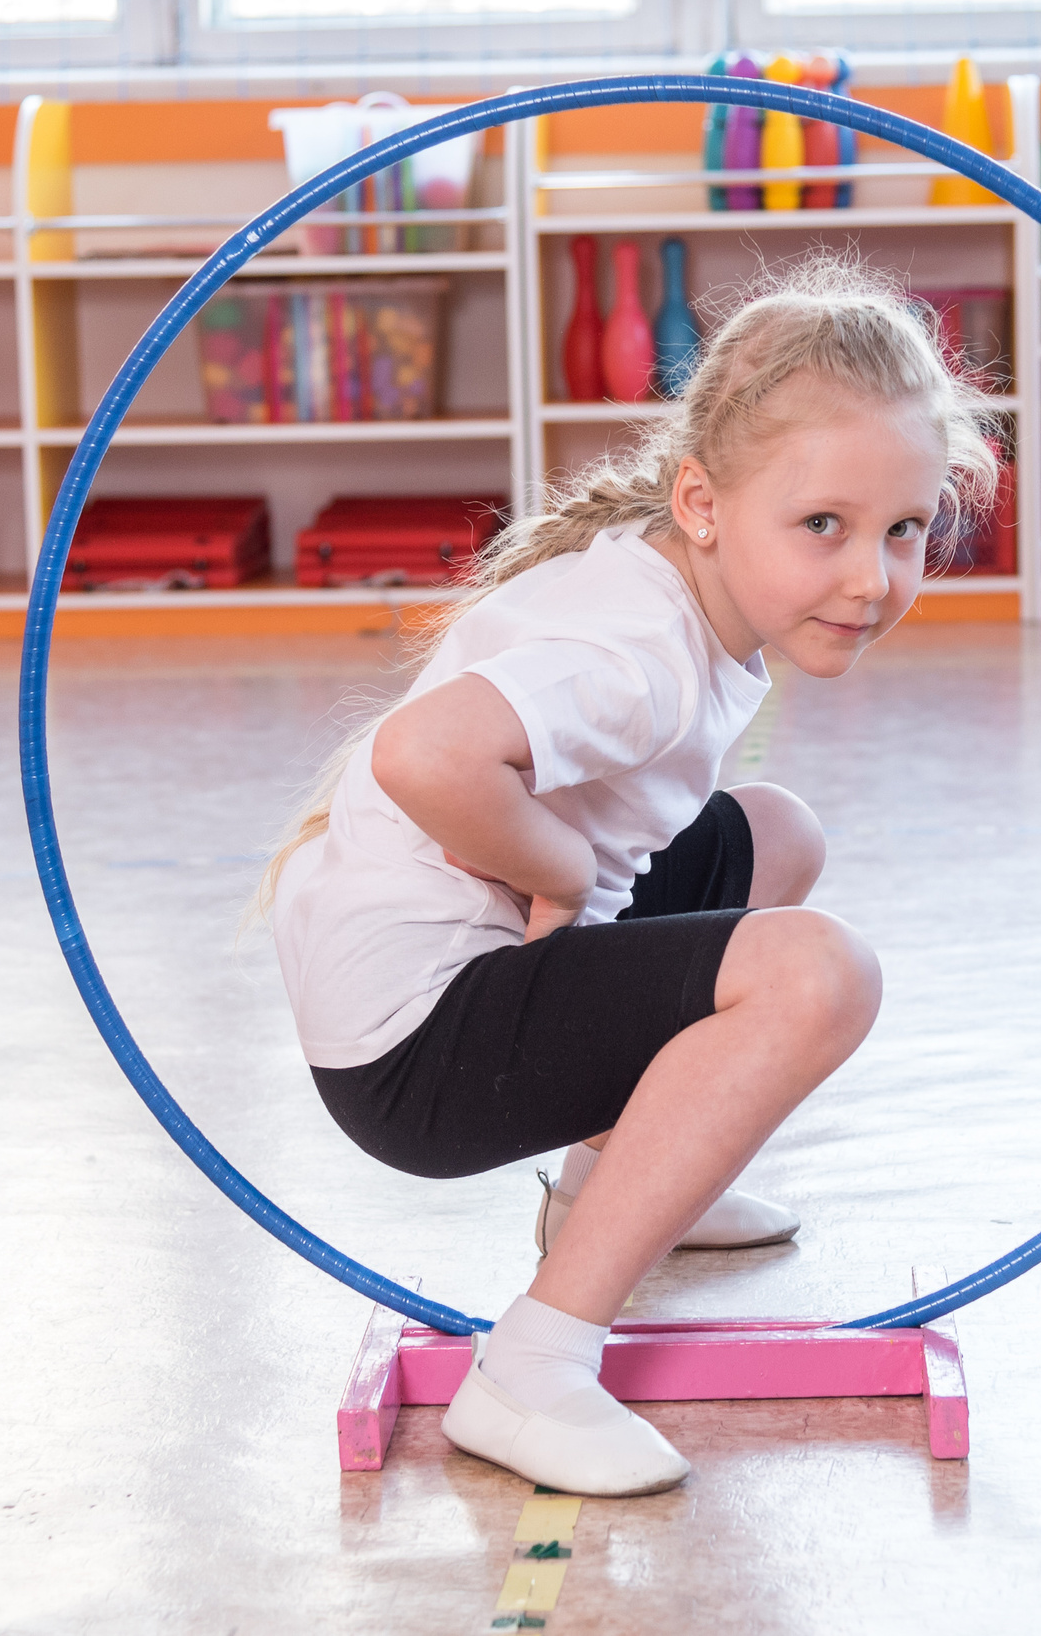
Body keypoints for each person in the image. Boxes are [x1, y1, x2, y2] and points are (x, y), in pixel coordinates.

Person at [264, 258, 1000, 1496]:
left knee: (775, 835)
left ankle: (616, 1178)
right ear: (703, 502)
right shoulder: (644, 651)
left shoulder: (683, 591)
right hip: (418, 1053)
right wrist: (552, 869)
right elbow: (423, 752)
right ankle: (534, 1365)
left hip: (469, 982)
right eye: (822, 525)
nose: (872, 579)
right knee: (820, 975)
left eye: (903, 529)